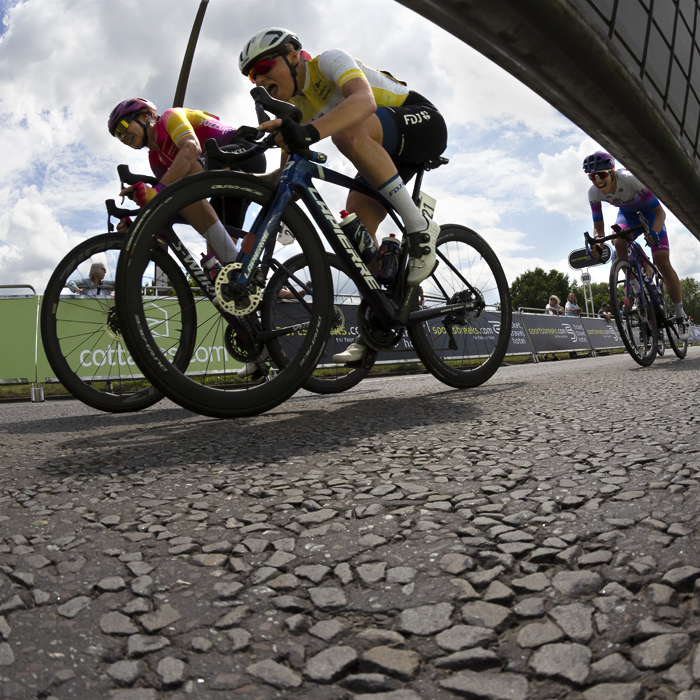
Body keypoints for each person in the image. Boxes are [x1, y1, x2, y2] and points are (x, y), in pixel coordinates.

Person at [238, 28, 448, 362]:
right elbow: (285, 176)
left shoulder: (328, 62)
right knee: (355, 235)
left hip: (422, 122)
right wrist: (239, 173)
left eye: (263, 66)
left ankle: (419, 227)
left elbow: (363, 102)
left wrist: (307, 132)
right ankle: (378, 321)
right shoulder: (296, 107)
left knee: (348, 133)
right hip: (382, 151)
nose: (258, 78)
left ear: (293, 55)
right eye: (252, 75)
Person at [108, 98, 266, 261]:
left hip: (243, 154)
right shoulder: (155, 158)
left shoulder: (170, 117)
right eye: (118, 135)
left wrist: (156, 192)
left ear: (143, 115)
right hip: (224, 181)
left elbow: (191, 148)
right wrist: (139, 224)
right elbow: (171, 201)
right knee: (223, 264)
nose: (123, 136)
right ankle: (248, 278)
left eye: (123, 127)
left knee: (180, 187)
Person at [583, 150, 689, 340]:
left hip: (651, 214)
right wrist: (597, 245)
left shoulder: (630, 179)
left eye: (601, 175)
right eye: (592, 176)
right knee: (618, 240)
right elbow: (598, 228)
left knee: (662, 262)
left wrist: (654, 233)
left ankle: (680, 315)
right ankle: (638, 292)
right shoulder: (593, 193)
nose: (597, 181)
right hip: (627, 215)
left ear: (612, 172)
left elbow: (660, 212)